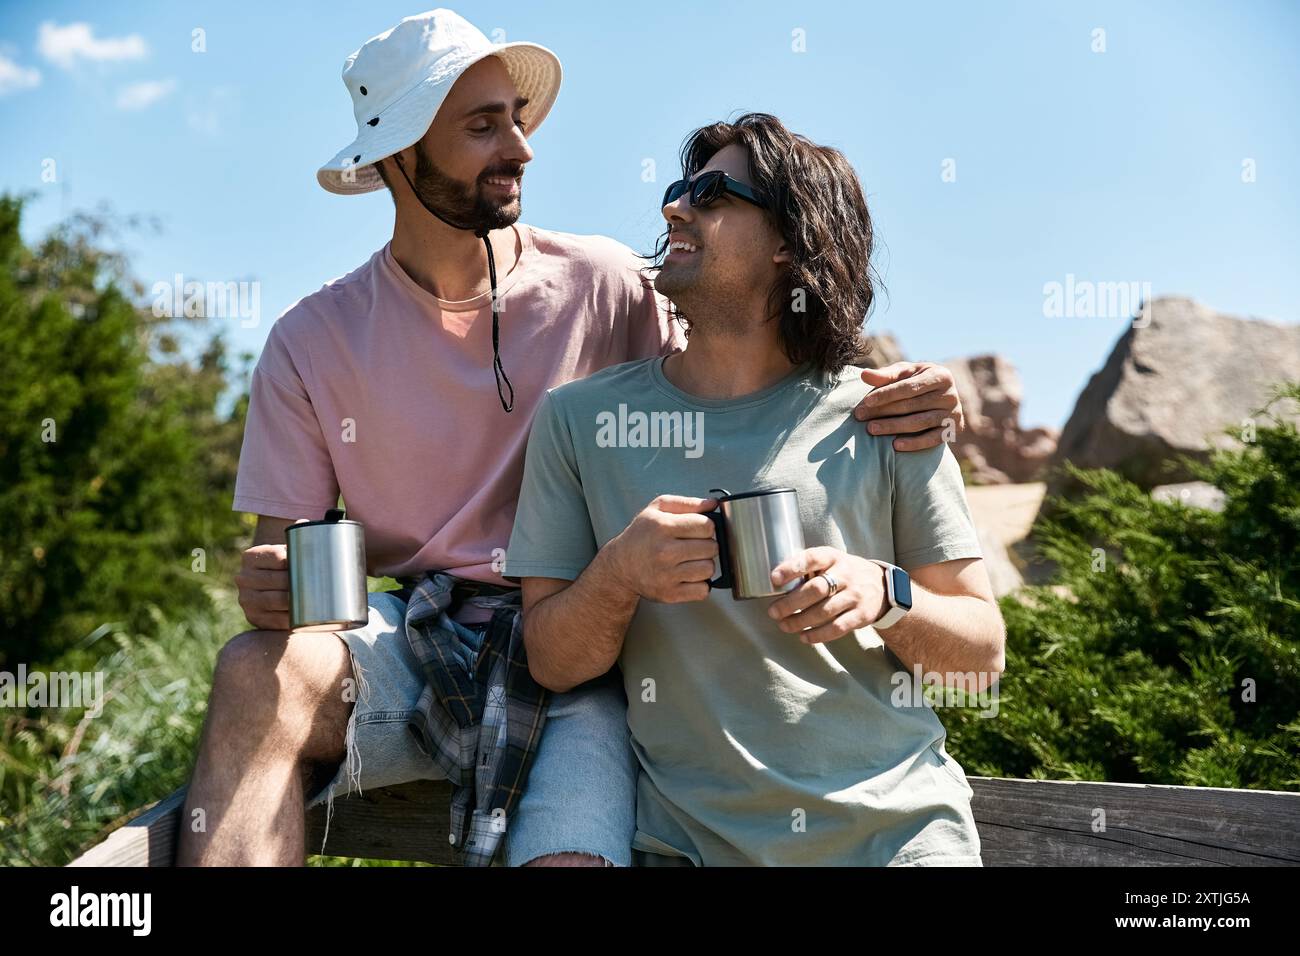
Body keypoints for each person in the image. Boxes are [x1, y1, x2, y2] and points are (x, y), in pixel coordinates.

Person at [177, 10, 970, 867]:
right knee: (255, 671)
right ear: (397, 156)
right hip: (418, 635)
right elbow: (277, 577)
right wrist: (269, 592)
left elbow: (758, 363)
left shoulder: (610, 282)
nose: (520, 148)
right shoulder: (310, 339)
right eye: (483, 127)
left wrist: (906, 386)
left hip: (586, 647)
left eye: (516, 119)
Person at [506, 112, 1005, 866]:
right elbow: (550, 659)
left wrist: (884, 591)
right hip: (688, 849)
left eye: (712, 195)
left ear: (787, 240)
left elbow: (982, 660)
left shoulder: (888, 412)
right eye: (679, 191)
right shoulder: (579, 421)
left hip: (899, 837)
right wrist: (617, 576)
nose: (675, 208)